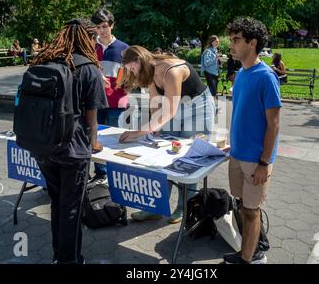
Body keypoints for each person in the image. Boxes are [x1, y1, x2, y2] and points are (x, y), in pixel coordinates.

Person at [31, 18, 108, 264]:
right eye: (93, 37)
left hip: (43, 145)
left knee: (58, 202)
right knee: (71, 207)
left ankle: (58, 256)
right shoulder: (88, 68)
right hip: (73, 149)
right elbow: (91, 116)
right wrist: (94, 143)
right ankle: (69, 260)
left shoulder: (44, 60)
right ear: (87, 38)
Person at [118, 45, 216, 224]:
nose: (132, 73)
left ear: (139, 60)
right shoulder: (148, 72)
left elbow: (169, 110)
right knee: (164, 155)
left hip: (198, 109)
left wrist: (138, 132)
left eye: (132, 68)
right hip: (175, 108)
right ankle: (155, 206)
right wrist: (153, 129)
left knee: (188, 158)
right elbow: (156, 105)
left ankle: (184, 207)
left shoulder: (172, 71)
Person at [223, 17, 281, 264]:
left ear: (252, 42)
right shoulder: (241, 75)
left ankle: (250, 258)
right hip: (237, 154)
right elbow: (243, 115)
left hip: (256, 160)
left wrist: (264, 162)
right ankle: (253, 246)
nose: (231, 45)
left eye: (236, 40)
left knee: (251, 210)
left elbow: (274, 124)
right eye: (231, 40)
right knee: (242, 205)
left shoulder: (266, 77)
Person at [90, 7, 129, 181]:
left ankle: (115, 174)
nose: (101, 31)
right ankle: (100, 173)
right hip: (96, 101)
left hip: (117, 101)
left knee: (114, 139)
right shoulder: (90, 46)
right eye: (98, 27)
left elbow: (132, 74)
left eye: (104, 26)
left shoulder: (124, 48)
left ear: (112, 25)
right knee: (96, 137)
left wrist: (127, 84)